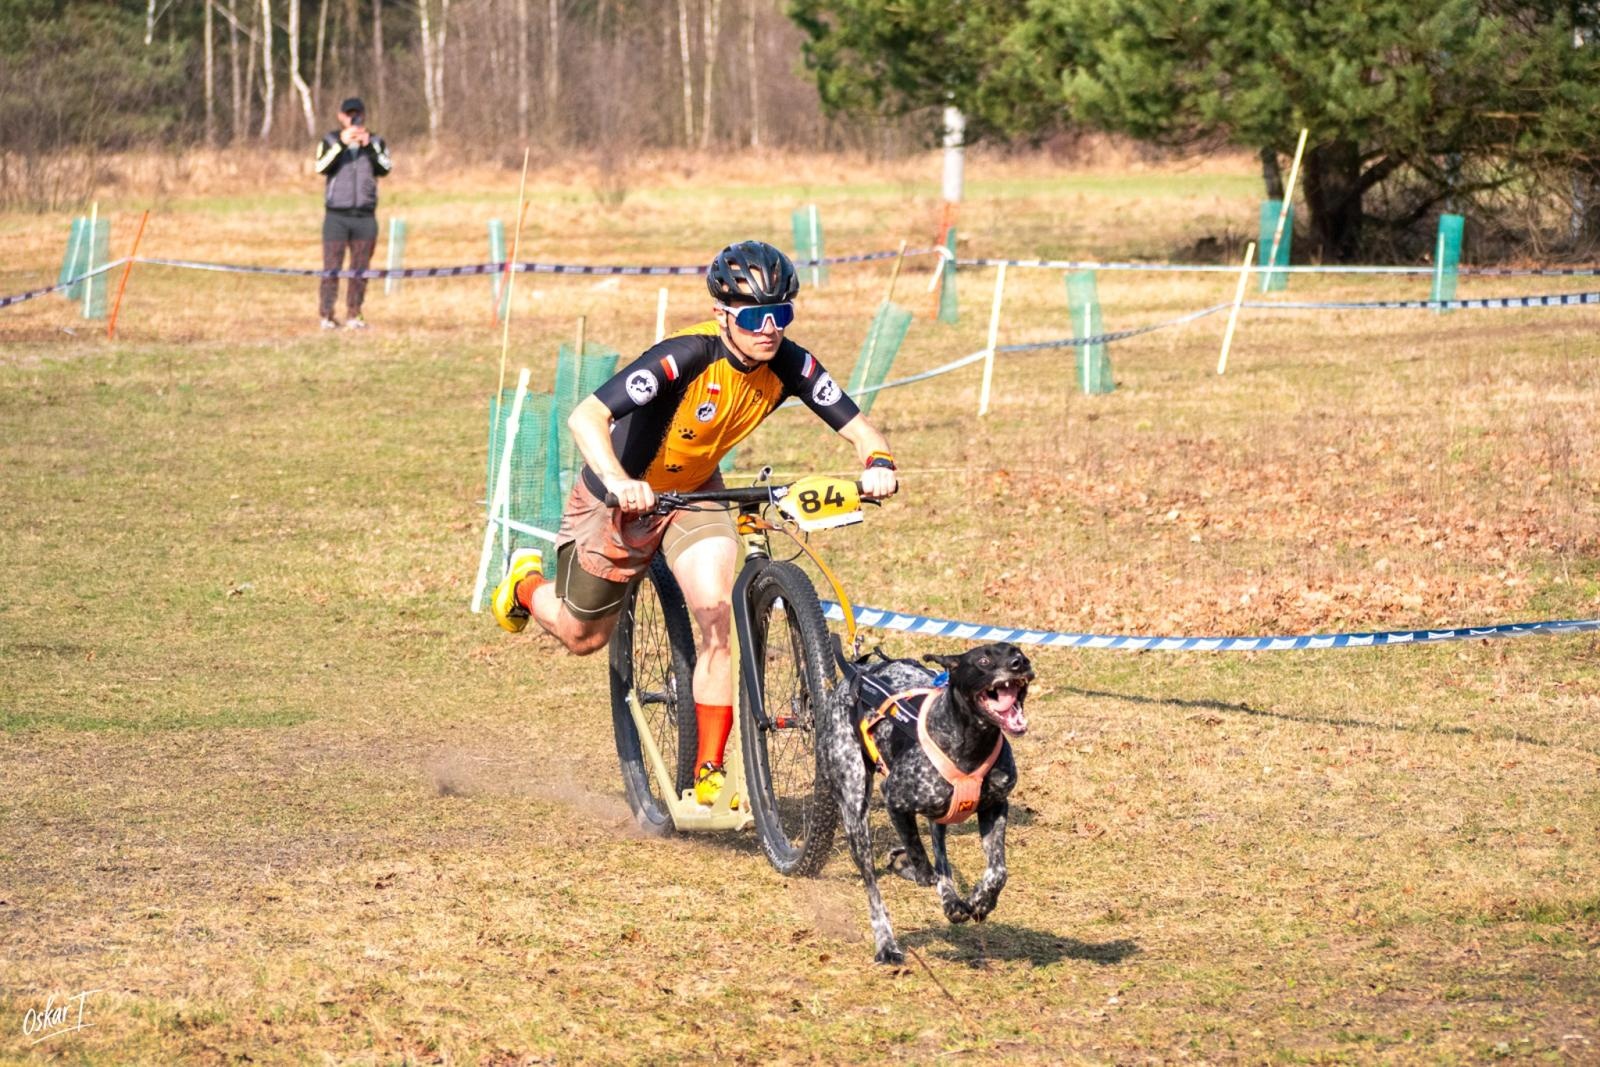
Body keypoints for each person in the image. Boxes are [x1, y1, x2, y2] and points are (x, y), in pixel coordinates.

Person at [490, 240, 899, 806]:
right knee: (583, 637)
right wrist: (616, 480)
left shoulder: (790, 363)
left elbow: (859, 428)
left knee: (715, 617)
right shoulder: (684, 356)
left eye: (781, 315)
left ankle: (709, 772)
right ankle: (525, 586)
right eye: (756, 317)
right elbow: (586, 416)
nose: (770, 330)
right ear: (722, 314)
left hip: (697, 489)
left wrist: (877, 463)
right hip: (617, 496)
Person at [314, 96, 391, 329]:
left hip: (365, 217)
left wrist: (368, 146)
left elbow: (386, 167)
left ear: (364, 116)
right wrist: (341, 144)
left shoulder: (376, 142)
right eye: (349, 115)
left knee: (360, 270)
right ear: (341, 117)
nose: (353, 119)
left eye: (357, 115)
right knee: (331, 268)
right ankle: (326, 315)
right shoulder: (329, 140)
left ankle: (354, 314)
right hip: (336, 216)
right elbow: (321, 167)